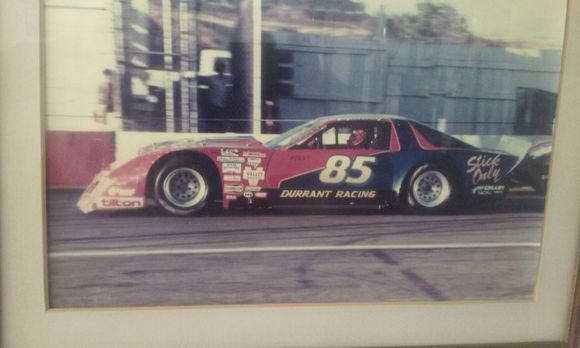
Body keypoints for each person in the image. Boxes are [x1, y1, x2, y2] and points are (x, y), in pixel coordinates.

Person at [205, 60, 233, 132]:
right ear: (216, 68)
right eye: (219, 67)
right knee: (214, 125)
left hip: (225, 106)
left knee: (224, 125)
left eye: (223, 67)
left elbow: (231, 92)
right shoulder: (210, 79)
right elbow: (206, 92)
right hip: (214, 106)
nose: (221, 69)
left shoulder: (229, 79)